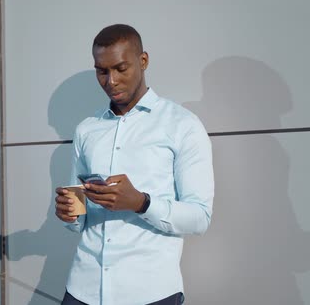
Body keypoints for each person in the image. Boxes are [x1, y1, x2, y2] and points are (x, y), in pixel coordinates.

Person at [55, 24, 214, 305]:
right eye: (102, 71)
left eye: (120, 68)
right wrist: (71, 213)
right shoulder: (87, 129)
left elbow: (200, 217)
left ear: (143, 61)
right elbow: (79, 218)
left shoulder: (182, 125)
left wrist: (141, 202)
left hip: (149, 293)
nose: (111, 81)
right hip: (83, 289)